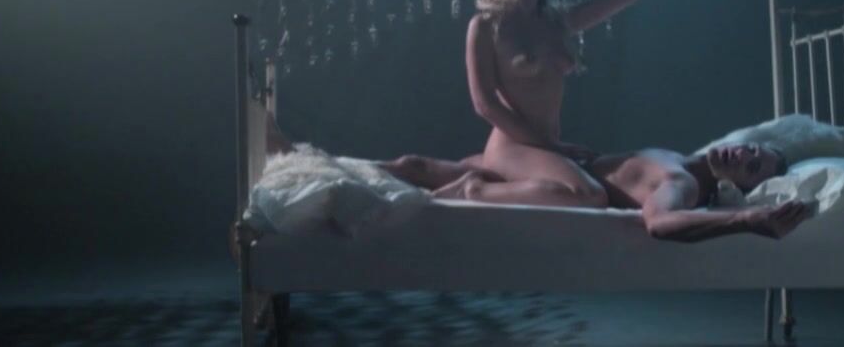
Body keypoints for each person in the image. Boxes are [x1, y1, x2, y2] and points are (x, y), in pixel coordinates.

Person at [464, 0, 697, 210]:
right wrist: (553, 147)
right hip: (512, 145)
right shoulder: (485, 26)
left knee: (598, 189)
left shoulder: (557, 21)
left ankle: (479, 180)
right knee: (592, 195)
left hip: (547, 146)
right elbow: (484, 105)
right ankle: (475, 191)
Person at [266, 115, 813, 243]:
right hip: (545, 166)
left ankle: (298, 164)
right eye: (753, 147)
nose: (744, 152)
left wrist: (747, 220)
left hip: (550, 182)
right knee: (415, 165)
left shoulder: (685, 185)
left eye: (752, 165)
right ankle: (295, 156)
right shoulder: (680, 156)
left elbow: (661, 223)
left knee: (425, 172)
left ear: (739, 186)